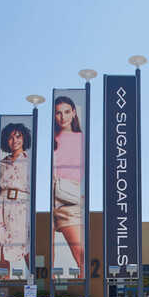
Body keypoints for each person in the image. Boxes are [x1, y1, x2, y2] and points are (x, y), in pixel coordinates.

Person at [53, 96, 85, 277]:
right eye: (58, 113)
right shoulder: (52, 139)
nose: (62, 117)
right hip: (50, 198)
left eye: (66, 112)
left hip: (69, 198)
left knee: (80, 255)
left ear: (73, 113)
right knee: (49, 256)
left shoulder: (80, 139)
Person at [0, 122, 32, 278]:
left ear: (24, 138)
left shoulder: (29, 161)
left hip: (20, 205)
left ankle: (34, 284)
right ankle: (2, 290)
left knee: (24, 244)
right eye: (10, 137)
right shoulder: (2, 163)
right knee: (1, 246)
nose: (15, 140)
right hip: (3, 205)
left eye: (18, 136)